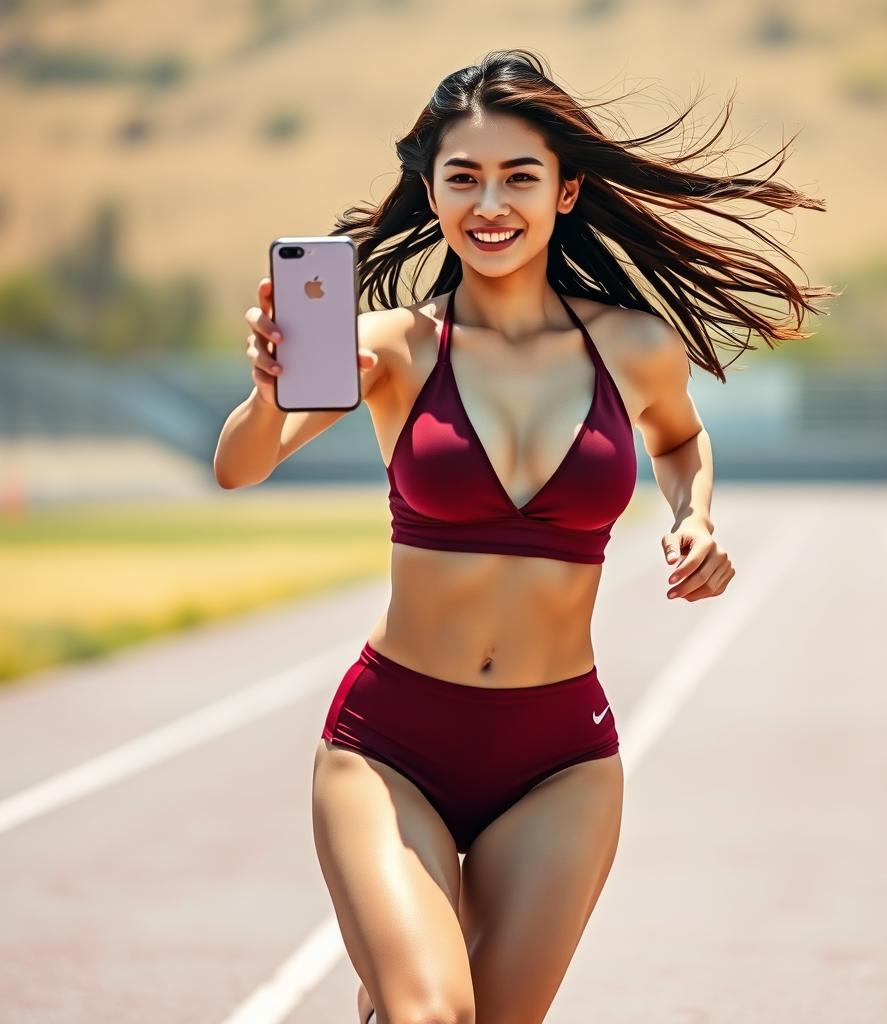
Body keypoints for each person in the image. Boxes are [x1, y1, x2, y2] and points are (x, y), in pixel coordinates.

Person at [214, 48, 833, 1024]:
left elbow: (678, 437)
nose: (489, 203)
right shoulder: (392, 346)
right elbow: (240, 464)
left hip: (558, 761)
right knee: (431, 1015)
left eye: (518, 176)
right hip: (392, 744)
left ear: (567, 189)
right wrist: (264, 389)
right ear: (430, 188)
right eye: (462, 177)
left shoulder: (631, 344)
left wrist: (695, 516)